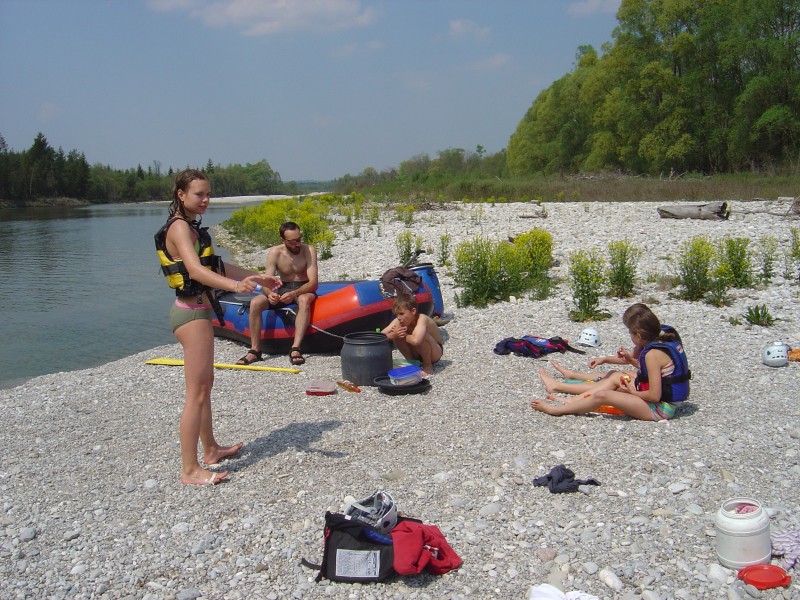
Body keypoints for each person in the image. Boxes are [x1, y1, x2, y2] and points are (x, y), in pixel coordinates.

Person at [155, 169, 279, 485]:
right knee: (195, 393)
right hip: (190, 316)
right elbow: (195, 271)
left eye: (209, 193)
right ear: (181, 195)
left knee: (204, 387)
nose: (206, 199)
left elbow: (216, 265)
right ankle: (189, 469)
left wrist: (257, 277)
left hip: (199, 314)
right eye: (199, 194)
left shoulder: (193, 229)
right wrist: (235, 287)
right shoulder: (180, 228)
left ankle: (210, 449)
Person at [531, 304, 690, 421]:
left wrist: (631, 391)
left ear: (639, 335)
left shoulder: (653, 354)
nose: (629, 335)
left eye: (630, 332)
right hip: (666, 400)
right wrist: (617, 362)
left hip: (661, 409)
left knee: (603, 395)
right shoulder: (663, 338)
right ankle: (572, 399)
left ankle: (556, 410)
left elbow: (654, 396)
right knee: (616, 377)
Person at [238, 221, 318, 366]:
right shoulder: (275, 253)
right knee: (256, 302)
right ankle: (255, 350)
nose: (298, 243)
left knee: (304, 300)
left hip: (303, 287)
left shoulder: (308, 250)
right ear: (283, 240)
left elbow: (313, 283)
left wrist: (294, 293)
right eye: (293, 241)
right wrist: (270, 294)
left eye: (299, 238)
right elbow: (266, 281)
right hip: (282, 287)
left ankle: (296, 348)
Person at [382, 294, 443, 376]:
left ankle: (428, 366)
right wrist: (392, 335)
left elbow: (416, 341)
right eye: (396, 314)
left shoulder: (422, 319)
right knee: (396, 334)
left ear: (413, 311)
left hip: (434, 353)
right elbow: (381, 335)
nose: (399, 317)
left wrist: (402, 335)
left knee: (421, 335)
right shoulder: (399, 320)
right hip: (417, 353)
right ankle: (412, 362)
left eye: (401, 313)